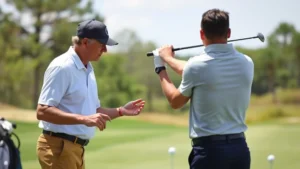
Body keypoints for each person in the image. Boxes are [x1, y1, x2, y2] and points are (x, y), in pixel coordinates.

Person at [35, 19, 145, 169]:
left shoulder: (88, 69)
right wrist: (84, 119)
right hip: (58, 148)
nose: (105, 50)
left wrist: (121, 111)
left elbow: (93, 111)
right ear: (85, 42)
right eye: (101, 45)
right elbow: (42, 111)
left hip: (75, 149)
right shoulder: (62, 67)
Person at [152, 8, 254, 169]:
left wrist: (160, 68)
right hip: (239, 150)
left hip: (209, 153)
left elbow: (175, 101)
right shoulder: (247, 63)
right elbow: (199, 72)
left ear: (201, 34)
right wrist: (168, 59)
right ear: (229, 32)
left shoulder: (197, 67)